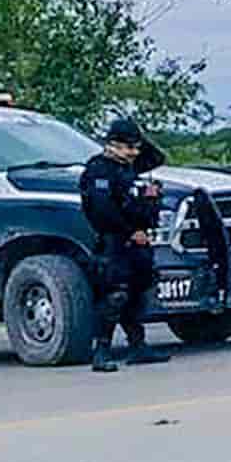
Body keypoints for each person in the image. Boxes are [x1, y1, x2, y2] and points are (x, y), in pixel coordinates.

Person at [80, 117, 171, 372]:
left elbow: (157, 157)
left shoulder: (129, 168)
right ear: (112, 146)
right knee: (114, 295)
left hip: (138, 242)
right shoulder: (99, 170)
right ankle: (101, 351)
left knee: (136, 294)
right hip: (114, 241)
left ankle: (138, 346)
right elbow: (102, 211)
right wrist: (130, 232)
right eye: (128, 147)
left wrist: (138, 133)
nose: (134, 153)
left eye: (136, 148)